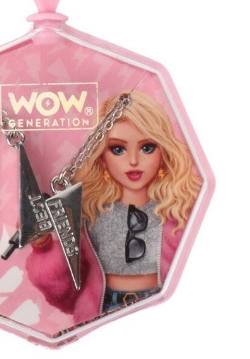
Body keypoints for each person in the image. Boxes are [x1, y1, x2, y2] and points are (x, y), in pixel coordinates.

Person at [26, 90, 202, 323]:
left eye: (147, 147)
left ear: (164, 151)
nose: (133, 161)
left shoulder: (176, 212)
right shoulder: (90, 212)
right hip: (102, 309)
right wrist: (43, 245)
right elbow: (65, 291)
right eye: (118, 149)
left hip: (163, 308)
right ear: (101, 156)